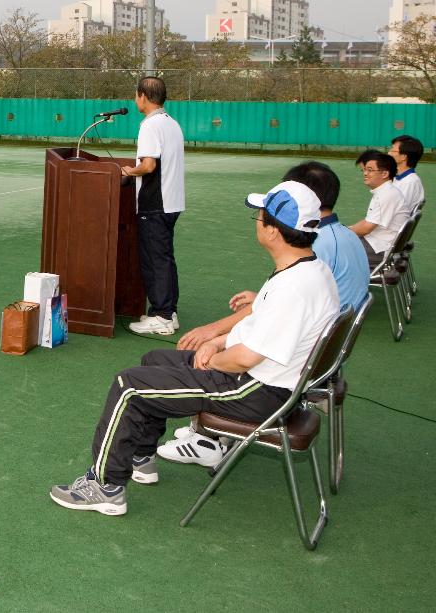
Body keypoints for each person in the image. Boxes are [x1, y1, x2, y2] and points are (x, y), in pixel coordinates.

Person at [49, 180, 338, 516]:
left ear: (274, 231)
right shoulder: (310, 269)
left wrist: (213, 359)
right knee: (154, 359)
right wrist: (217, 341)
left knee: (128, 385)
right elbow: (266, 327)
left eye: (259, 217)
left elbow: (246, 357)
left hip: (255, 390)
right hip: (269, 381)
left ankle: (105, 487)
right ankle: (142, 457)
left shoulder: (294, 288)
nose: (256, 222)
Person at [161, 161, 369, 467]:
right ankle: (206, 429)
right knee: (216, 349)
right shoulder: (336, 238)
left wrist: (214, 338)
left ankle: (208, 437)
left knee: (204, 362)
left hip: (291, 371)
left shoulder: (311, 249)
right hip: (318, 357)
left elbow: (279, 315)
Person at [122, 76, 186, 336]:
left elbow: (148, 165)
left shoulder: (150, 125)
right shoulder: (172, 123)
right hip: (171, 202)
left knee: (155, 260)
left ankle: (161, 316)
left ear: (143, 96)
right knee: (165, 259)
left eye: (136, 95)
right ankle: (169, 313)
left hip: (155, 203)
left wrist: (129, 170)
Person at [349, 149, 405, 267]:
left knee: (333, 248)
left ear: (384, 174)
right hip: (379, 244)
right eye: (364, 170)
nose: (365, 173)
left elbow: (366, 228)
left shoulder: (386, 194)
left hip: (379, 248)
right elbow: (367, 222)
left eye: (370, 170)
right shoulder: (386, 191)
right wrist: (347, 229)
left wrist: (341, 233)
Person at [388, 134, 425, 217]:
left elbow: (395, 212)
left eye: (392, 150)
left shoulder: (409, 182)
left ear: (404, 156)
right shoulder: (400, 179)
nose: (388, 153)